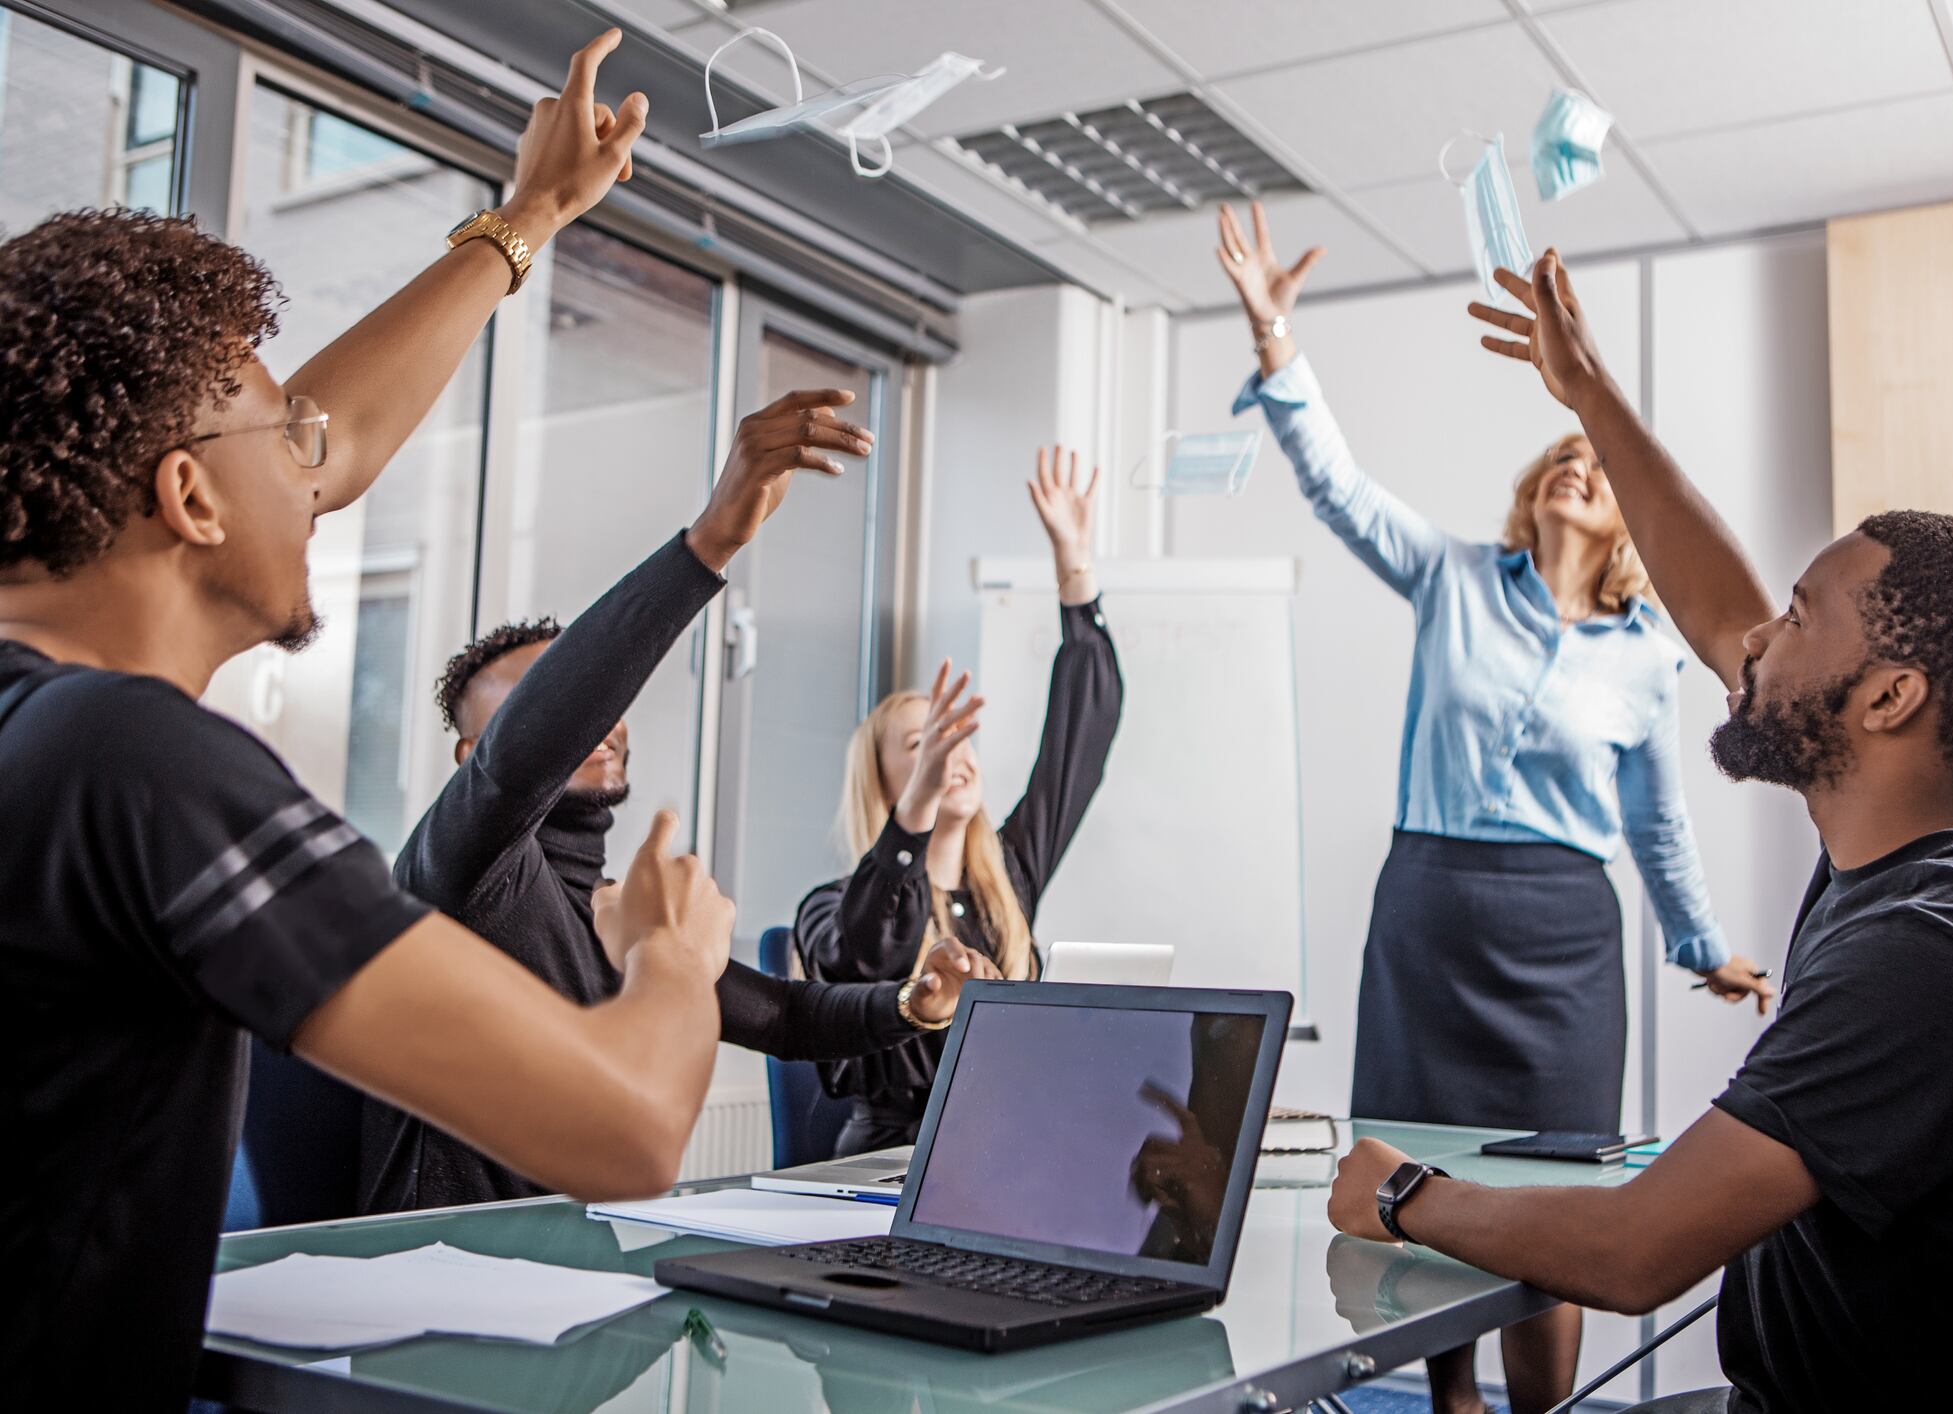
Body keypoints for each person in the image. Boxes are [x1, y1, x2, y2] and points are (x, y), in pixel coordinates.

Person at [0, 32, 739, 1408]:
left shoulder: (33, 726)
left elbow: (322, 438)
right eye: (287, 438)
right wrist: (669, 963)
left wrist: (526, 224)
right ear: (189, 501)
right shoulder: (134, 761)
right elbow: (626, 1124)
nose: (323, 466)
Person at [1328, 250, 1953, 1414]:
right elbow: (1717, 609)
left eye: (1797, 618)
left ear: (1889, 700)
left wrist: (1401, 1198)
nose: (1753, 640)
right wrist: (1589, 389)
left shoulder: (1932, 958)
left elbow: (1634, 1252)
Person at [1214, 202, 1772, 1414]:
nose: (1578, 465)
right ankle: (1449, 1399)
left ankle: (1537, 1412)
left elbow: (1658, 817)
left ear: (1628, 517)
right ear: (1533, 495)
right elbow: (1340, 487)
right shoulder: (1454, 578)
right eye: (1560, 458)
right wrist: (1275, 342)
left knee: (1559, 1196)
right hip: (1432, 912)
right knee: (1414, 1176)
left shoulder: (1644, 656)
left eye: (1596, 465)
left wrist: (1700, 944)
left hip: (1566, 939)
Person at [356, 394, 998, 1214]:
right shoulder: (456, 865)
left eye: (588, 693)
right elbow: (523, 761)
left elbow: (784, 1017)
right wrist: (710, 543)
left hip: (571, 1269)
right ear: (468, 755)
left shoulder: (618, 910)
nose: (591, 718)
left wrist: (913, 1002)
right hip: (436, 1272)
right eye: (538, 701)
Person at [796, 446, 1122, 1154]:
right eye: (920, 744)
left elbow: (1082, 741)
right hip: (893, 1158)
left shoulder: (1007, 875)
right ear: (884, 786)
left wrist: (1073, 565)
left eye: (955, 735)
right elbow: (865, 953)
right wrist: (912, 821)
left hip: (1006, 1140)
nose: (950, 753)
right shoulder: (832, 909)